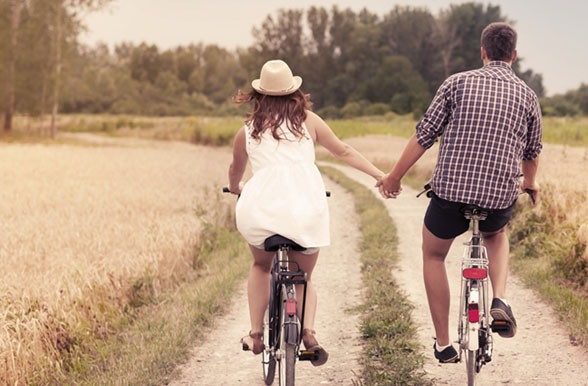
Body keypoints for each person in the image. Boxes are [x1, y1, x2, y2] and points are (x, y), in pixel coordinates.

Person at [378, 22, 542, 363]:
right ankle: (499, 300)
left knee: (434, 255)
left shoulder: (457, 83)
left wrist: (395, 177)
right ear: (514, 55)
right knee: (496, 234)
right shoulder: (528, 96)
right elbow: (532, 151)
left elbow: (424, 136)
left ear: (482, 51)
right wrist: (530, 183)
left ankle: (443, 343)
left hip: (450, 195)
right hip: (497, 198)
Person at [228, 59, 386, 366]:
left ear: (259, 95)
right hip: (305, 210)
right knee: (304, 276)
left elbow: (235, 171)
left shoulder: (246, 131)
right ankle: (309, 334)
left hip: (260, 212)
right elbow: (343, 151)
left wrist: (236, 188)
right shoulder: (310, 121)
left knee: (261, 267)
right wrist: (380, 175)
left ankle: (256, 334)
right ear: (294, 93)